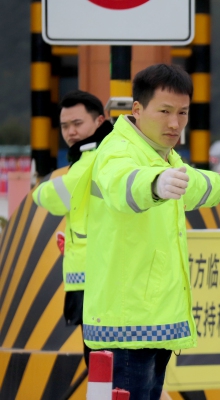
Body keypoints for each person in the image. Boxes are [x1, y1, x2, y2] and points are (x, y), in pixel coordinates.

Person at [81, 64, 220, 400]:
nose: (174, 123)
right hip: (125, 328)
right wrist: (156, 184)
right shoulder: (117, 150)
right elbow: (124, 182)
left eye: (182, 112)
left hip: (152, 324)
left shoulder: (164, 158)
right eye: (164, 111)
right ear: (137, 109)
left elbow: (208, 188)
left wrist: (194, 180)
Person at [32, 90, 113, 367]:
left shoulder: (93, 156)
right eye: (65, 126)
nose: (71, 132)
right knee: (113, 367)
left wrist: (37, 191)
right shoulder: (95, 154)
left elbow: (59, 195)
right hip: (99, 276)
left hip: (95, 281)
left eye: (77, 123)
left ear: (99, 121)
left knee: (102, 366)